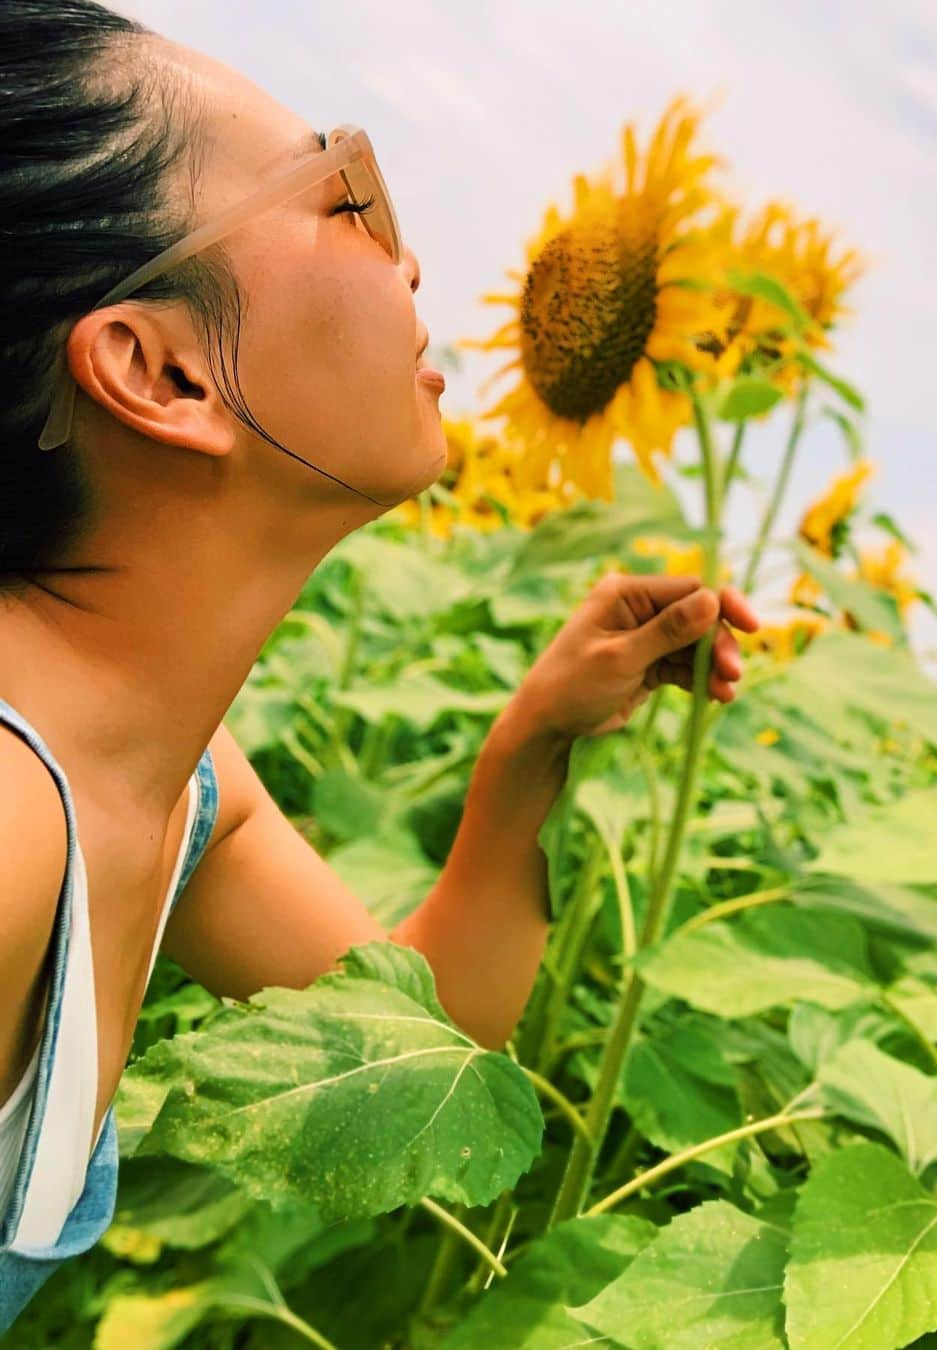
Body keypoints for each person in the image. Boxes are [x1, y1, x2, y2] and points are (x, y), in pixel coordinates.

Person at [0, 0, 760, 1325]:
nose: (411, 266)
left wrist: (533, 742)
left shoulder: (174, 785)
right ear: (160, 371)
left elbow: (421, 1038)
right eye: (347, 190)